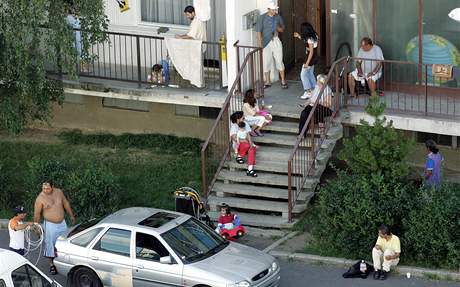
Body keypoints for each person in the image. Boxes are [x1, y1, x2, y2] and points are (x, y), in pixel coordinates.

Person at [34, 181, 76, 275]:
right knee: (50, 245)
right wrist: (36, 227)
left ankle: (64, 261)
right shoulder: (40, 199)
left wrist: (71, 216)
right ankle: (51, 264)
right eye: (43, 188)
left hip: (62, 223)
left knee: (65, 241)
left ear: (52, 186)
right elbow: (37, 214)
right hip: (50, 225)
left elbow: (65, 203)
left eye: (47, 188)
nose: (45, 190)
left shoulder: (59, 192)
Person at [255, 1, 288, 89]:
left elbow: (282, 29)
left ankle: (283, 80)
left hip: (276, 40)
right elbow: (258, 32)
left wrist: (278, 28)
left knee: (279, 61)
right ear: (268, 9)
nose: (274, 12)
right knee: (266, 62)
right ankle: (267, 81)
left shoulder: (278, 17)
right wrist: (260, 44)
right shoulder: (261, 18)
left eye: (275, 10)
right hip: (265, 43)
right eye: (273, 10)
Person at [294, 22, 318, 99]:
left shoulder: (309, 39)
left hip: (309, 58)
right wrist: (298, 36)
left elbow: (311, 52)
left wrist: (307, 63)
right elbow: (310, 44)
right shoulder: (314, 35)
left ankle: (308, 92)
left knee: (303, 75)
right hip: (314, 57)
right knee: (310, 74)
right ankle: (315, 90)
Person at [230, 111, 258, 177]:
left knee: (251, 148)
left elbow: (248, 135)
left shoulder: (245, 123)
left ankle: (250, 169)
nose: (244, 118)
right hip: (238, 145)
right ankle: (239, 156)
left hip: (246, 144)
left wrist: (251, 143)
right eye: (243, 118)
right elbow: (234, 138)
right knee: (246, 145)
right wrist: (245, 141)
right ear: (238, 119)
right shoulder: (234, 126)